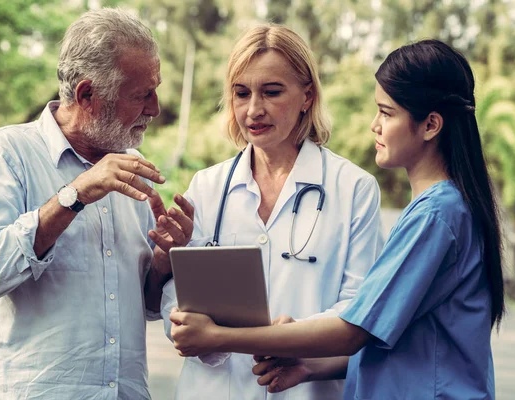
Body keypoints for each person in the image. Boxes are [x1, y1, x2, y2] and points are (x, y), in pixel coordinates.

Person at [170, 39, 506, 400]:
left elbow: (353, 330)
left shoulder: (435, 216)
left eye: (386, 112)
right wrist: (312, 365)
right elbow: (394, 338)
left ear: (430, 125)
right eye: (240, 92)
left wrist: (219, 337)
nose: (374, 126)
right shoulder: (443, 208)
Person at [0, 8, 193, 400]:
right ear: (87, 95)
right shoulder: (8, 151)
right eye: (141, 95)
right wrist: (75, 195)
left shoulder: (130, 166)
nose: (154, 108)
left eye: (155, 89)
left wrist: (164, 260)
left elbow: (146, 306)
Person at [159, 24, 383, 400]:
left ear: (307, 96)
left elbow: (359, 310)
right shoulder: (207, 187)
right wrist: (183, 321)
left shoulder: (354, 189)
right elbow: (176, 298)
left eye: (272, 92)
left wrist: (291, 337)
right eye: (241, 93)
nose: (253, 110)